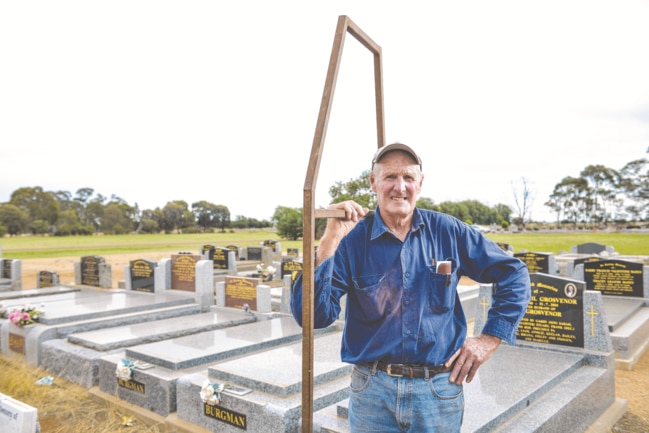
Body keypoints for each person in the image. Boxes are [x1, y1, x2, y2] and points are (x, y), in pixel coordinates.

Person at [291, 142, 531, 432]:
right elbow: (313, 316)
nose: (399, 187)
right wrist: (329, 242)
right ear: (373, 182)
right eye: (390, 177)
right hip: (372, 393)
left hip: (438, 393)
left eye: (408, 178)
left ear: (420, 183)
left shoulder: (448, 231)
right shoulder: (352, 241)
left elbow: (514, 273)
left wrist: (489, 339)